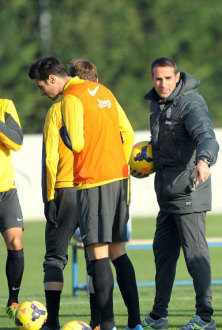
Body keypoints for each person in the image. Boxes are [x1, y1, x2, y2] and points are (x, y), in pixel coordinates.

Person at [28, 56, 142, 330]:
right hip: (119, 179)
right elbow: (127, 131)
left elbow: (77, 143)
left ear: (53, 79)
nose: (42, 92)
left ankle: (109, 324)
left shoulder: (71, 98)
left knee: (97, 253)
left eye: (42, 86)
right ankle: (135, 323)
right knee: (118, 252)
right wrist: (120, 162)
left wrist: (68, 135)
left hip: (92, 181)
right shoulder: (105, 92)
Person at [131, 57, 219, 330]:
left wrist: (204, 160)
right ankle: (158, 316)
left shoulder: (191, 103)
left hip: (189, 192)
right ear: (152, 78)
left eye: (168, 78)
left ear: (178, 77)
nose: (163, 84)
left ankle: (205, 317)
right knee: (163, 256)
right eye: (158, 79)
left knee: (195, 256)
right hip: (167, 196)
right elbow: (165, 149)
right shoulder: (156, 104)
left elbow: (206, 135)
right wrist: (144, 166)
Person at [35, 59, 107, 330]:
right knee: (95, 258)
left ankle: (52, 322)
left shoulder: (57, 110)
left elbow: (50, 159)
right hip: (93, 188)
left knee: (54, 257)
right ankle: (98, 322)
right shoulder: (98, 108)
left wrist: (48, 198)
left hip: (65, 188)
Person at [0, 99, 24, 320]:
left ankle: (13, 300)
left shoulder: (5, 106)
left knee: (16, 242)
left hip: (6, 191)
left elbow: (16, 142)